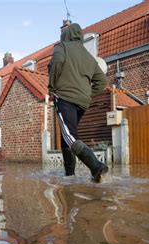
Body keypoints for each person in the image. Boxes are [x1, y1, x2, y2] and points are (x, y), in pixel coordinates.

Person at [48, 22, 109, 183]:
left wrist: (52, 87)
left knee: (70, 136)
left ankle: (96, 166)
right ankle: (70, 175)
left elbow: (56, 63)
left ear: (66, 35)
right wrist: (88, 94)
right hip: (82, 104)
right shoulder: (89, 56)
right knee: (65, 136)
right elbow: (102, 81)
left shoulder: (62, 47)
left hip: (65, 98)